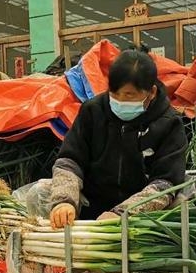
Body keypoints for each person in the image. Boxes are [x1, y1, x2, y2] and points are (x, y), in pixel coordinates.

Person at [45, 49, 188, 229]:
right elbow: (69, 160)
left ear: (151, 92)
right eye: (114, 93)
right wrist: (64, 201)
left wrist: (122, 213)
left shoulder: (169, 124)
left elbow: (165, 183)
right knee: (40, 193)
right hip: (90, 203)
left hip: (139, 215)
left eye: (129, 95)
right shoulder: (92, 111)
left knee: (182, 203)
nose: (120, 101)